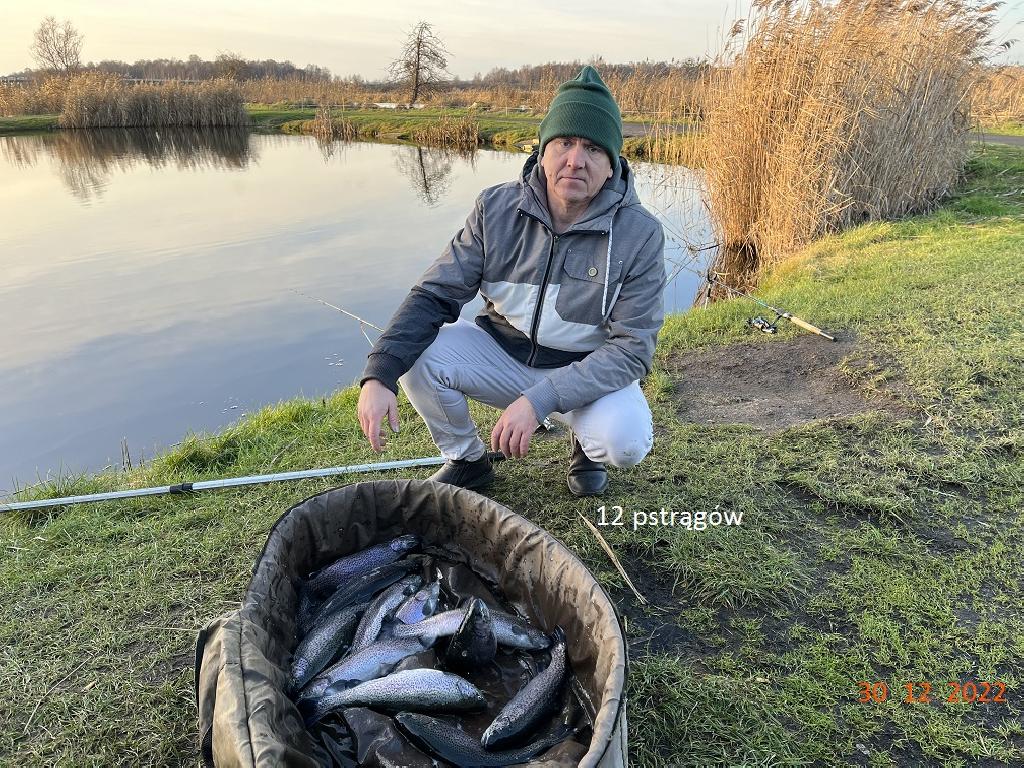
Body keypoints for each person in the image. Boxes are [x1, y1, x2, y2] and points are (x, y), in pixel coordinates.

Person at [357, 66, 666, 497]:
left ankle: (587, 449)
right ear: (543, 149)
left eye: (594, 149)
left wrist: (540, 400)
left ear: (612, 163)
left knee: (625, 441)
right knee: (418, 353)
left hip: (582, 370)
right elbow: (434, 294)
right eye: (564, 142)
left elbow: (633, 349)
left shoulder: (641, 234)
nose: (575, 160)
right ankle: (466, 461)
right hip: (503, 353)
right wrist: (380, 373)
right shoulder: (495, 208)